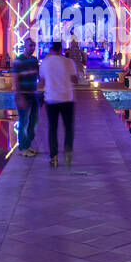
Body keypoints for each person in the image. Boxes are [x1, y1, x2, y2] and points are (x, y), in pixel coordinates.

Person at [40, 40, 79, 168]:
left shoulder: (45, 63)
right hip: (67, 98)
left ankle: (54, 157)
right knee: (68, 127)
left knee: (52, 128)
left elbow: (42, 81)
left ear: (51, 48)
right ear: (61, 48)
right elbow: (75, 80)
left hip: (51, 99)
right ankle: (67, 154)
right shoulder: (68, 62)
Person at [11, 40, 40, 156]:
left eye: (34, 46)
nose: (32, 47)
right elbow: (15, 79)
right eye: (30, 45)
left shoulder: (34, 60)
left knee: (34, 121)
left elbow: (37, 76)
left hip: (33, 94)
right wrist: (19, 96)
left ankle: (28, 145)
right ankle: (23, 148)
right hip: (23, 94)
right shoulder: (18, 61)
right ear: (25, 47)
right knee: (23, 122)